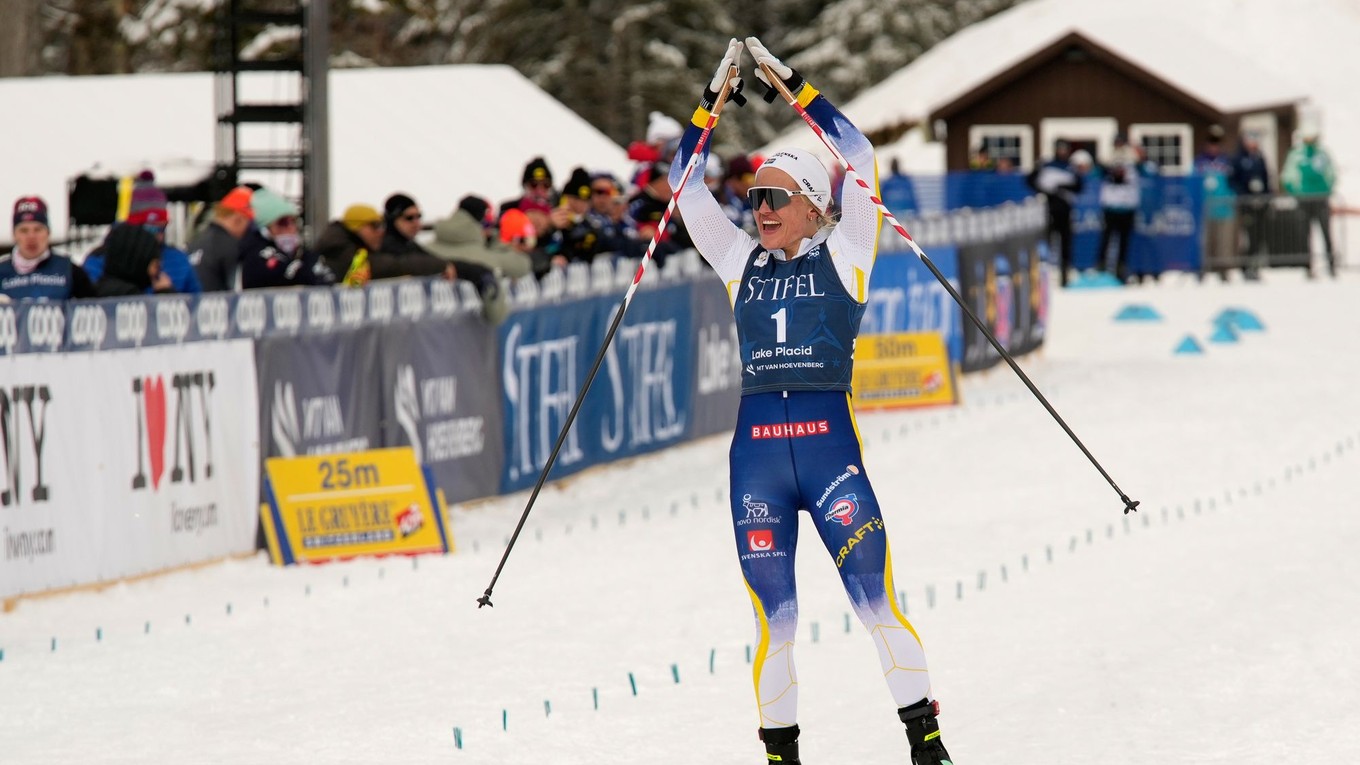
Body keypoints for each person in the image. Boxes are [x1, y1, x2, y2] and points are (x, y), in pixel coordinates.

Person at [672, 37, 952, 765]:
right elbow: (685, 186)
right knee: (777, 623)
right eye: (755, 197)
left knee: (876, 604)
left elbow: (858, 155)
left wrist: (792, 85)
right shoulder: (738, 262)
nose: (759, 209)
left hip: (830, 455)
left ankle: (927, 745)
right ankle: (780, 756)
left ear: (812, 207)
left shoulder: (848, 252)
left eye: (774, 197)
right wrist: (713, 98)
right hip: (757, 462)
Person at [1, 196, 97, 301]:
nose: (31, 237)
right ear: (14, 235)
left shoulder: (69, 270)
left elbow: (95, 309)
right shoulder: (2, 271)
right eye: (24, 230)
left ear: (48, 233)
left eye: (37, 230)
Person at [238, 187, 334, 289]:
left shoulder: (305, 255)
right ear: (265, 229)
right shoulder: (255, 255)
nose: (291, 228)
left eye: (294, 221)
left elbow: (328, 279)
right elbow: (279, 276)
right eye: (283, 223)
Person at [1281, 126, 1337, 277]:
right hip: (1304, 200)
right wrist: (1295, 192)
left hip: (1320, 199)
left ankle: (1331, 265)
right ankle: (1307, 266)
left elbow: (1331, 173)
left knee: (1326, 233)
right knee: (1305, 234)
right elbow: (1288, 176)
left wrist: (1327, 189)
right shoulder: (1296, 155)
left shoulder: (1322, 154)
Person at [1027, 138, 1083, 287]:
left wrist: (1062, 186)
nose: (1062, 151)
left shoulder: (1071, 167)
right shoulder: (1047, 165)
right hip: (1049, 209)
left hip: (1065, 210)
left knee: (1066, 244)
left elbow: (1079, 186)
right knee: (1046, 243)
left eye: (1065, 149)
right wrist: (1045, 190)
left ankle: (1064, 275)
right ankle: (1043, 275)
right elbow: (1030, 181)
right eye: (1060, 148)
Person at [187, 186, 255, 291]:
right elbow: (237, 291)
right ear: (237, 219)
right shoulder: (232, 246)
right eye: (249, 223)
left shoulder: (195, 242)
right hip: (216, 304)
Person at [1195, 133, 1238, 281]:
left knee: (1224, 241)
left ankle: (1224, 269)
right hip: (1205, 207)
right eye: (1211, 143)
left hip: (1224, 208)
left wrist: (1232, 198)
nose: (1214, 147)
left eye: (1216, 143)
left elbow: (1235, 182)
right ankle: (1203, 268)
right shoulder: (1199, 163)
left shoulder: (1227, 162)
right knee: (1205, 240)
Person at [1229, 133, 1272, 279]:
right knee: (1248, 237)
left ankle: (1254, 266)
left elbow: (1267, 178)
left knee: (1258, 237)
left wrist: (1266, 197)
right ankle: (1245, 267)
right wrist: (1246, 193)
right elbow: (1233, 181)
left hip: (1260, 204)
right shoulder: (1238, 159)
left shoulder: (1259, 158)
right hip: (1246, 204)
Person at [93, 223, 173, 297]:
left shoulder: (99, 289)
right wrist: (165, 296)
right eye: (155, 266)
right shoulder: (129, 295)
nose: (157, 272)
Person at [315, 204, 385, 287]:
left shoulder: (360, 246)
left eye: (382, 225)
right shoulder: (336, 247)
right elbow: (375, 266)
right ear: (357, 226)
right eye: (375, 225)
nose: (380, 232)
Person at [1095, 160, 1140, 282]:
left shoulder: (1132, 175)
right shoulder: (1108, 177)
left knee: (1124, 243)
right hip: (1110, 213)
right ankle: (1101, 267)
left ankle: (1120, 270)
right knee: (1106, 240)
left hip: (1127, 213)